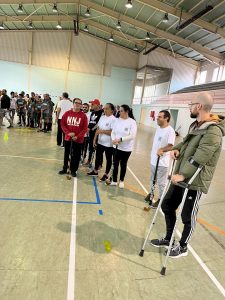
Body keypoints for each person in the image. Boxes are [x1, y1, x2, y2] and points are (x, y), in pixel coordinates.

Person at [150, 92, 225, 258]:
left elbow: (202, 155)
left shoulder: (213, 130)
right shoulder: (195, 125)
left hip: (194, 180)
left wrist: (183, 175)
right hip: (182, 175)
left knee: (187, 215)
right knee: (167, 205)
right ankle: (169, 238)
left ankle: (183, 247)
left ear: (199, 106)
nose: (189, 106)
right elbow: (185, 143)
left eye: (191, 104)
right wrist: (175, 149)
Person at [145, 110, 176, 209]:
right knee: (152, 179)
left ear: (166, 118)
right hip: (154, 160)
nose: (157, 118)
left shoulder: (170, 131)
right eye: (157, 116)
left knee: (161, 183)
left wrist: (162, 149)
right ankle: (151, 194)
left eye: (160, 117)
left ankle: (161, 199)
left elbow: (171, 146)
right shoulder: (158, 128)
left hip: (162, 162)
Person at [109, 105, 137, 188]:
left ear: (126, 111)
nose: (119, 112)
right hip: (116, 146)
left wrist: (120, 139)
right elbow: (113, 132)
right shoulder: (116, 120)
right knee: (115, 163)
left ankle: (121, 180)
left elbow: (132, 135)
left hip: (126, 148)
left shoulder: (132, 122)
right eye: (119, 110)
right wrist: (114, 139)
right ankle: (114, 180)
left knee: (123, 164)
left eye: (121, 111)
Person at [59, 98, 88, 177]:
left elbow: (84, 129)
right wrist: (68, 133)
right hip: (68, 138)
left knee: (76, 155)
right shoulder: (67, 113)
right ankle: (65, 168)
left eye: (79, 103)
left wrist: (77, 136)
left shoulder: (83, 116)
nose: (77, 104)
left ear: (81, 105)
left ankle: (73, 170)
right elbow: (62, 124)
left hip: (78, 140)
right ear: (73, 103)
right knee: (66, 154)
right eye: (76, 102)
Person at [87, 103, 116, 181]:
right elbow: (97, 129)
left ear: (112, 110)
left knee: (108, 159)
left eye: (107, 108)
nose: (105, 110)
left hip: (109, 144)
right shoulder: (102, 117)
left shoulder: (114, 119)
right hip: (100, 142)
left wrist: (102, 131)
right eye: (104, 108)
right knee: (98, 157)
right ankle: (95, 171)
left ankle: (106, 174)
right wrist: (94, 139)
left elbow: (112, 132)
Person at [84, 99, 103, 166]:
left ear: (97, 105)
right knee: (90, 148)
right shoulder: (92, 112)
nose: (91, 105)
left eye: (92, 104)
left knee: (98, 150)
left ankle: (100, 164)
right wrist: (88, 128)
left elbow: (99, 124)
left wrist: (91, 128)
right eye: (91, 104)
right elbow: (91, 122)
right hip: (91, 133)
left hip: (97, 134)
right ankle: (89, 160)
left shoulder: (101, 113)